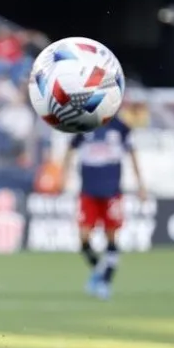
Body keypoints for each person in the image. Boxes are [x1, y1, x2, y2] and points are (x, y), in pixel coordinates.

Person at [61, 115, 145, 300]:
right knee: (83, 238)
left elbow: (132, 153)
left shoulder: (121, 127)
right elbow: (70, 148)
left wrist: (141, 185)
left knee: (111, 237)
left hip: (111, 192)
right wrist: (63, 175)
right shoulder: (84, 124)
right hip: (88, 191)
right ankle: (99, 270)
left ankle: (105, 281)